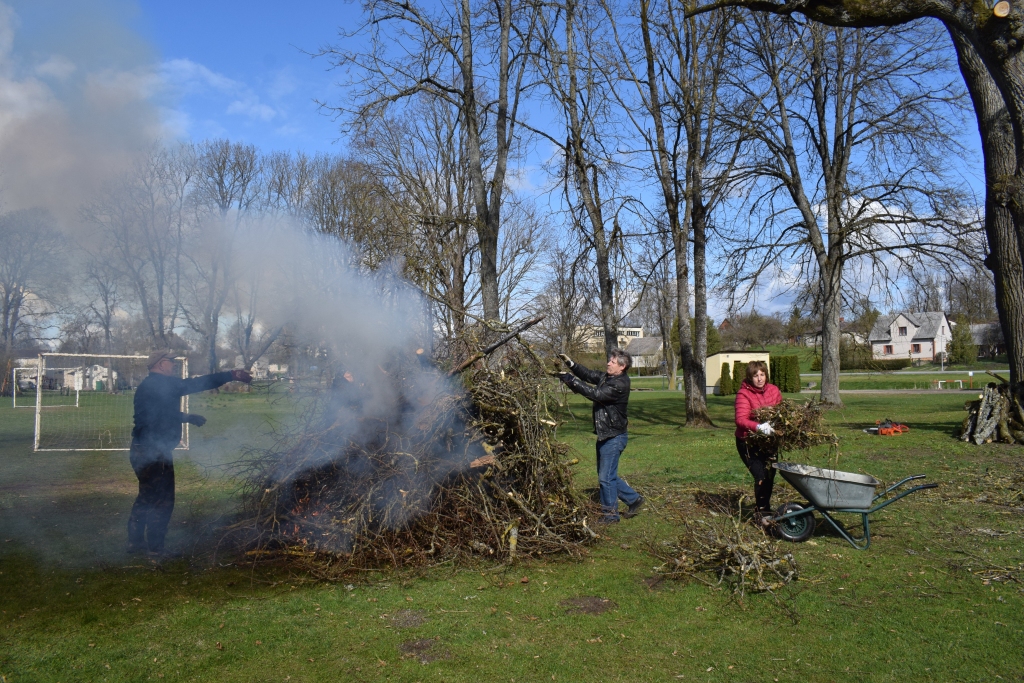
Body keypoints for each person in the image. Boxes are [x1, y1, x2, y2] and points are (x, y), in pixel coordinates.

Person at [127, 350, 252, 556]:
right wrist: (231, 375)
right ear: (159, 365)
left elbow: (159, 414)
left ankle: (135, 542)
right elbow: (195, 384)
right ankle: (156, 548)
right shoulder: (162, 384)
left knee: (147, 496)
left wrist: (187, 417)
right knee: (163, 500)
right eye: (170, 362)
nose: (173, 365)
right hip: (155, 453)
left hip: (140, 449)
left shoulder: (147, 386)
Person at [557, 348, 643, 523]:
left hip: (614, 436)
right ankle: (634, 499)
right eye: (609, 360)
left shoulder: (619, 384)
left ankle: (610, 516)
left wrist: (571, 380)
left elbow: (595, 394)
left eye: (612, 361)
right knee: (607, 475)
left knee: (605, 477)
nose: (608, 363)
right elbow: (588, 374)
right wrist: (571, 364)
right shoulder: (608, 377)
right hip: (606, 435)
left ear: (622, 366)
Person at [734, 360, 782, 526]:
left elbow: (780, 412)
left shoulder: (774, 390)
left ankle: (765, 509)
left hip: (769, 441)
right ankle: (762, 514)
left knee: (770, 475)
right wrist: (758, 427)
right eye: (755, 376)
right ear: (750, 377)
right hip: (748, 442)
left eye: (762, 374)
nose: (760, 379)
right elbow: (740, 419)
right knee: (760, 476)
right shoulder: (743, 394)